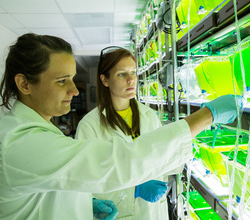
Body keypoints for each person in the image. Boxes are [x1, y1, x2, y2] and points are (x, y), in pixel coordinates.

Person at [0, 33, 244, 220]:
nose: (74, 90)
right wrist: (206, 116)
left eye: (72, 79)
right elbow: (114, 165)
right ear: (24, 84)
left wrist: (86, 205)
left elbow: (65, 183)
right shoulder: (20, 144)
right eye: (62, 81)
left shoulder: (39, 133)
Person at [75, 47, 180, 220]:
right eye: (122, 74)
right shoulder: (89, 125)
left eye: (133, 72)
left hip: (154, 212)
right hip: (119, 213)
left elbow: (161, 159)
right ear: (105, 80)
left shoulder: (149, 116)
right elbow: (86, 183)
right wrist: (134, 190)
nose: (131, 80)